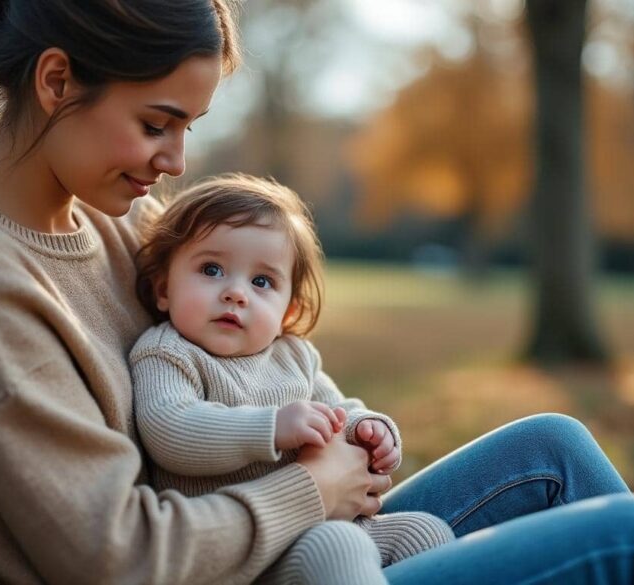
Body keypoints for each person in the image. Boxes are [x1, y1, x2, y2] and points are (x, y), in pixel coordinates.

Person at [0, 0, 634, 583]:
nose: (176, 162)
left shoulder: (119, 222)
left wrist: (351, 434)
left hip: (275, 549)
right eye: (156, 123)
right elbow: (116, 557)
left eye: (187, 129)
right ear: (56, 81)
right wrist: (316, 488)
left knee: (552, 450)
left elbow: (262, 357)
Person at [129, 174, 455, 584]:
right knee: (340, 544)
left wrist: (370, 430)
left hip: (322, 526)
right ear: (163, 289)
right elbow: (169, 429)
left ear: (288, 312)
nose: (236, 293)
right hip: (248, 557)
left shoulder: (293, 355)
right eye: (212, 269)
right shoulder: (168, 352)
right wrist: (270, 427)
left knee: (424, 532)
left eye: (261, 281)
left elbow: (340, 411)